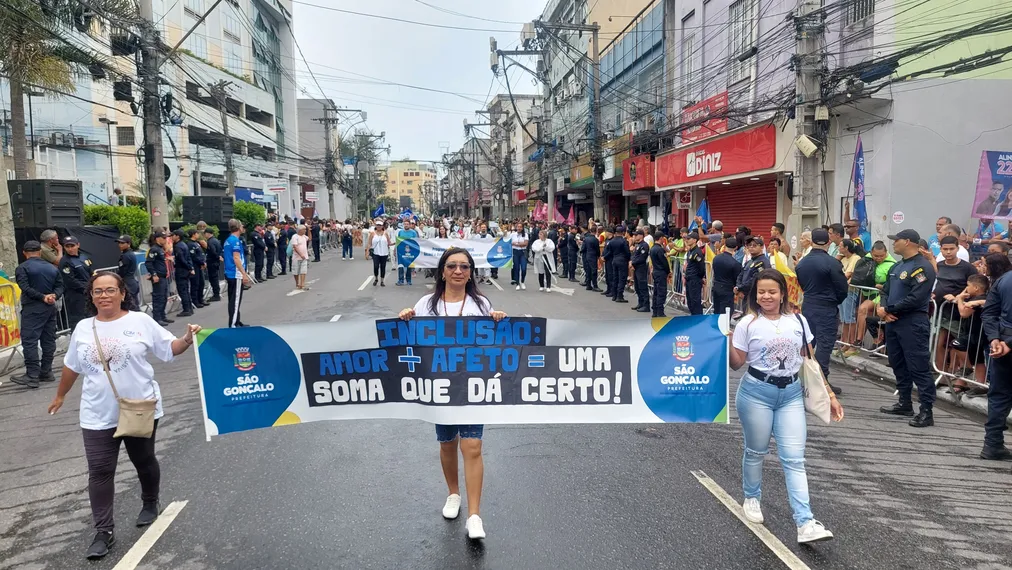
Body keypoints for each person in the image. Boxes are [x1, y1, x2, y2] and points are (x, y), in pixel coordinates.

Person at [46, 271, 201, 560]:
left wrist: (187, 339)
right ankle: (103, 531)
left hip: (139, 407)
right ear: (91, 296)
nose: (104, 295)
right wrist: (61, 395)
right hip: (97, 413)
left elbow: (169, 349)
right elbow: (72, 366)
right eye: (98, 291)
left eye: (109, 290)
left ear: (121, 293)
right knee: (100, 472)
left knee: (143, 460)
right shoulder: (83, 327)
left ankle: (150, 501)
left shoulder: (140, 321)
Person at [397, 248, 507, 541]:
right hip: (440, 388)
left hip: (472, 387)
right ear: (442, 271)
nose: (458, 271)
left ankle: (474, 515)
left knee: (472, 446)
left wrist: (497, 319)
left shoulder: (481, 304)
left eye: (464, 266)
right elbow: (410, 341)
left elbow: (497, 343)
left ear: (471, 271)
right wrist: (406, 317)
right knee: (448, 445)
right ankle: (453, 494)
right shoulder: (425, 304)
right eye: (452, 266)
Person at [729, 269, 843, 544]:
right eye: (761, 292)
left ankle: (805, 523)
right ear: (755, 295)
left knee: (794, 459)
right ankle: (752, 498)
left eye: (772, 291)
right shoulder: (747, 323)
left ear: (783, 294)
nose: (766, 296)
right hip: (756, 393)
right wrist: (725, 339)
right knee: (756, 451)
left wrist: (829, 394)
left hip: (791, 394)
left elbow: (810, 361)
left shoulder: (799, 321)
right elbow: (737, 363)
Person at [878, 229, 937, 427]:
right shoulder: (897, 266)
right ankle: (904, 402)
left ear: (908, 241)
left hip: (912, 322)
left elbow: (916, 298)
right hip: (893, 322)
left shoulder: (922, 267)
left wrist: (889, 309)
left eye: (897, 240)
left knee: (918, 366)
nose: (893, 244)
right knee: (897, 362)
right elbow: (886, 290)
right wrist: (882, 309)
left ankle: (926, 410)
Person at [795, 229, 849, 396]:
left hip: (809, 304)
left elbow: (802, 283)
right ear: (828, 243)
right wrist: (834, 300)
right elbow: (842, 288)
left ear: (811, 242)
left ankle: (804, 378)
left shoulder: (802, 263)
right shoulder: (833, 263)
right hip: (826, 306)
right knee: (825, 344)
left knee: (809, 343)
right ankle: (822, 380)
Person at [11, 240, 63, 389]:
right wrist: (53, 296)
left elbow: (25, 287)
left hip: (33, 307)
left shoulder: (23, 268)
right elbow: (60, 285)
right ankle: (46, 371)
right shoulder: (51, 268)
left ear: (24, 253)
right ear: (40, 252)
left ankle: (32, 375)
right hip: (50, 307)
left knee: (30, 341)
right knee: (48, 339)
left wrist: (42, 297)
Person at [981, 263, 1012, 461]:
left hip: (1002, 343)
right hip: (1004, 343)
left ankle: (992, 443)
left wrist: (996, 340)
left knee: (999, 395)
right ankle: (993, 444)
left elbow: (988, 313)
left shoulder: (1003, 279)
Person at [58, 236, 95, 331]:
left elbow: (91, 272)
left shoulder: (84, 257)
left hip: (88, 293)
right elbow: (70, 281)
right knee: (78, 320)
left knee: (91, 316)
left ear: (78, 245)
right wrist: (87, 287)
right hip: (75, 295)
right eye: (67, 246)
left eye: (72, 246)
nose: (70, 249)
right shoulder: (65, 261)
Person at [223, 219, 251, 327]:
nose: (243, 228)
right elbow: (236, 258)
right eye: (242, 226)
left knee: (234, 299)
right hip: (235, 273)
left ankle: (237, 320)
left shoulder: (229, 240)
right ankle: (234, 324)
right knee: (235, 300)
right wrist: (244, 274)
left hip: (231, 272)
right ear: (239, 228)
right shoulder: (234, 241)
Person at [144, 232, 172, 326]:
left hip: (163, 276)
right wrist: (154, 275)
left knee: (164, 297)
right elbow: (149, 263)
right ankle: (157, 318)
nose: (165, 240)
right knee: (158, 298)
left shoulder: (160, 249)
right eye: (163, 238)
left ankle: (162, 316)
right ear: (157, 239)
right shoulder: (154, 249)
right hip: (158, 277)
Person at [712, 237, 743, 317]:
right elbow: (737, 278)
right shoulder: (735, 263)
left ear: (725, 245)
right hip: (727, 289)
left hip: (716, 286)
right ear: (736, 247)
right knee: (726, 312)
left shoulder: (716, 258)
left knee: (717, 310)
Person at [169, 230, 194, 318]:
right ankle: (189, 308)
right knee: (186, 290)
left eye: (173, 235)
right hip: (185, 270)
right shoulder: (184, 245)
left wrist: (188, 267)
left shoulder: (178, 246)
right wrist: (190, 267)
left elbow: (182, 259)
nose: (171, 237)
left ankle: (187, 309)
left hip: (181, 271)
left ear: (178, 236)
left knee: (182, 291)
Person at [115, 236, 140, 311]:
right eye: (119, 243)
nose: (120, 245)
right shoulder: (130, 253)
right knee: (134, 305)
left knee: (130, 307)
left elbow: (122, 271)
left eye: (122, 243)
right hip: (131, 281)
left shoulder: (126, 256)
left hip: (127, 282)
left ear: (128, 244)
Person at [683, 231, 706, 316]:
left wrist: (698, 277)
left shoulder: (697, 252)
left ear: (695, 240)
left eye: (689, 239)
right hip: (689, 279)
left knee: (695, 301)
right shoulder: (690, 251)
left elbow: (701, 267)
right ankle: (693, 318)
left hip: (695, 279)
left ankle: (698, 320)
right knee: (690, 301)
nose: (687, 240)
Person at [366, 221, 393, 287]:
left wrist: (397, 242)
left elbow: (389, 243)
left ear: (382, 226)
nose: (379, 226)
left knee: (383, 267)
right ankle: (376, 279)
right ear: (375, 226)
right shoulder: (372, 234)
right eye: (377, 225)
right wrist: (367, 252)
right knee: (376, 266)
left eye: (380, 225)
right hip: (375, 253)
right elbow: (369, 243)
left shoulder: (385, 234)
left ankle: (382, 281)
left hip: (384, 253)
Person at [649, 232, 669, 317]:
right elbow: (664, 262)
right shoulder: (659, 249)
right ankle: (660, 311)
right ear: (660, 238)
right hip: (661, 272)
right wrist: (668, 271)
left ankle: (655, 310)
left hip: (656, 271)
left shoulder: (653, 248)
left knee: (656, 292)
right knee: (661, 292)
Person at [630, 230, 650, 313]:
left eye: (636, 235)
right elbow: (634, 256)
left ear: (641, 236)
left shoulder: (644, 245)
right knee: (637, 287)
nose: (635, 237)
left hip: (641, 268)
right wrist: (631, 262)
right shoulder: (638, 245)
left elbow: (642, 258)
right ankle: (640, 303)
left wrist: (633, 262)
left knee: (642, 287)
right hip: (636, 268)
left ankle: (646, 305)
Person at [186, 229, 207, 309]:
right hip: (195, 266)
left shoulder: (197, 243)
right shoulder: (190, 244)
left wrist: (203, 262)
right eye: (197, 233)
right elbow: (194, 256)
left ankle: (200, 299)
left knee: (201, 283)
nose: (198, 235)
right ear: (194, 234)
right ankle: (195, 301)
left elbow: (201, 254)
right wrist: (201, 262)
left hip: (200, 266)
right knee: (195, 284)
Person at [397, 220, 419, 286]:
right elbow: (398, 242)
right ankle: (400, 280)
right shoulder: (400, 232)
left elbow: (416, 242)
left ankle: (408, 280)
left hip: (410, 251)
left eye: (407, 224)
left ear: (409, 225)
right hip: (401, 251)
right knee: (401, 266)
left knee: (409, 266)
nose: (406, 225)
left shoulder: (413, 232)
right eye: (405, 224)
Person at [508, 222, 529, 290]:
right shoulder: (513, 234)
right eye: (518, 227)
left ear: (522, 228)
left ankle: (522, 281)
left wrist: (516, 244)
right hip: (515, 252)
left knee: (523, 268)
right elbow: (509, 242)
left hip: (522, 252)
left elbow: (525, 243)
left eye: (520, 227)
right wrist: (518, 244)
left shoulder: (525, 234)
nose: (519, 228)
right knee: (516, 268)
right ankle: (517, 283)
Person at [203, 229, 222, 302]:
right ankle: (216, 294)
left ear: (207, 233)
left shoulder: (210, 242)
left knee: (213, 279)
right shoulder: (216, 240)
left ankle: (216, 295)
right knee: (215, 278)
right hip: (216, 262)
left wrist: (217, 257)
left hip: (212, 262)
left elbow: (213, 251)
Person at [291, 225, 311, 290]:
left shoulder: (304, 236)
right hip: (296, 257)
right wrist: (300, 254)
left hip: (304, 257)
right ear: (300, 230)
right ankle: (297, 283)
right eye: (304, 229)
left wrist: (309, 230)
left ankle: (302, 284)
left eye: (305, 229)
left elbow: (310, 238)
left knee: (303, 271)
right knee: (296, 271)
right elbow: (295, 246)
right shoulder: (295, 236)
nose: (305, 231)